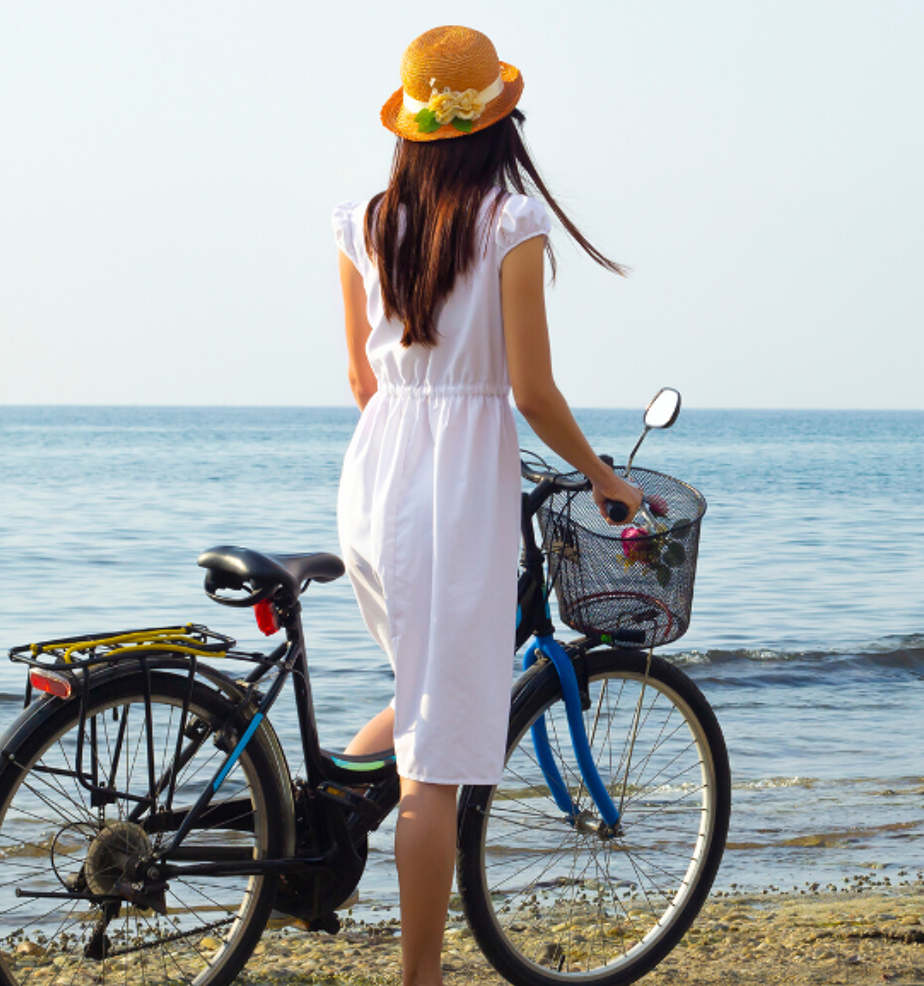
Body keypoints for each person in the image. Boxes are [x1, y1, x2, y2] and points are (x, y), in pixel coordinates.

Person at [328, 25, 641, 986]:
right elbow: (532, 391)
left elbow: (360, 381)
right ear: (499, 123)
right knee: (434, 766)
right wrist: (602, 475)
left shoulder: (365, 221)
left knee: (424, 697)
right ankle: (420, 977)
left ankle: (318, 825)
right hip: (455, 492)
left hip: (374, 481)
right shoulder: (509, 223)